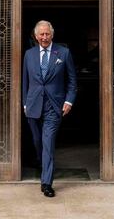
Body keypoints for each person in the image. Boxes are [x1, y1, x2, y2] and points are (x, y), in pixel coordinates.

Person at [22, 20, 77, 197]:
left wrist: (68, 102)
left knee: (48, 143)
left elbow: (72, 81)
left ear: (52, 35)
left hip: (54, 106)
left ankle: (46, 183)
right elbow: (25, 81)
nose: (44, 37)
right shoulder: (29, 55)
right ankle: (42, 162)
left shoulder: (63, 53)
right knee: (38, 141)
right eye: (41, 34)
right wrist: (24, 103)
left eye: (47, 34)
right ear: (36, 36)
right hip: (33, 105)